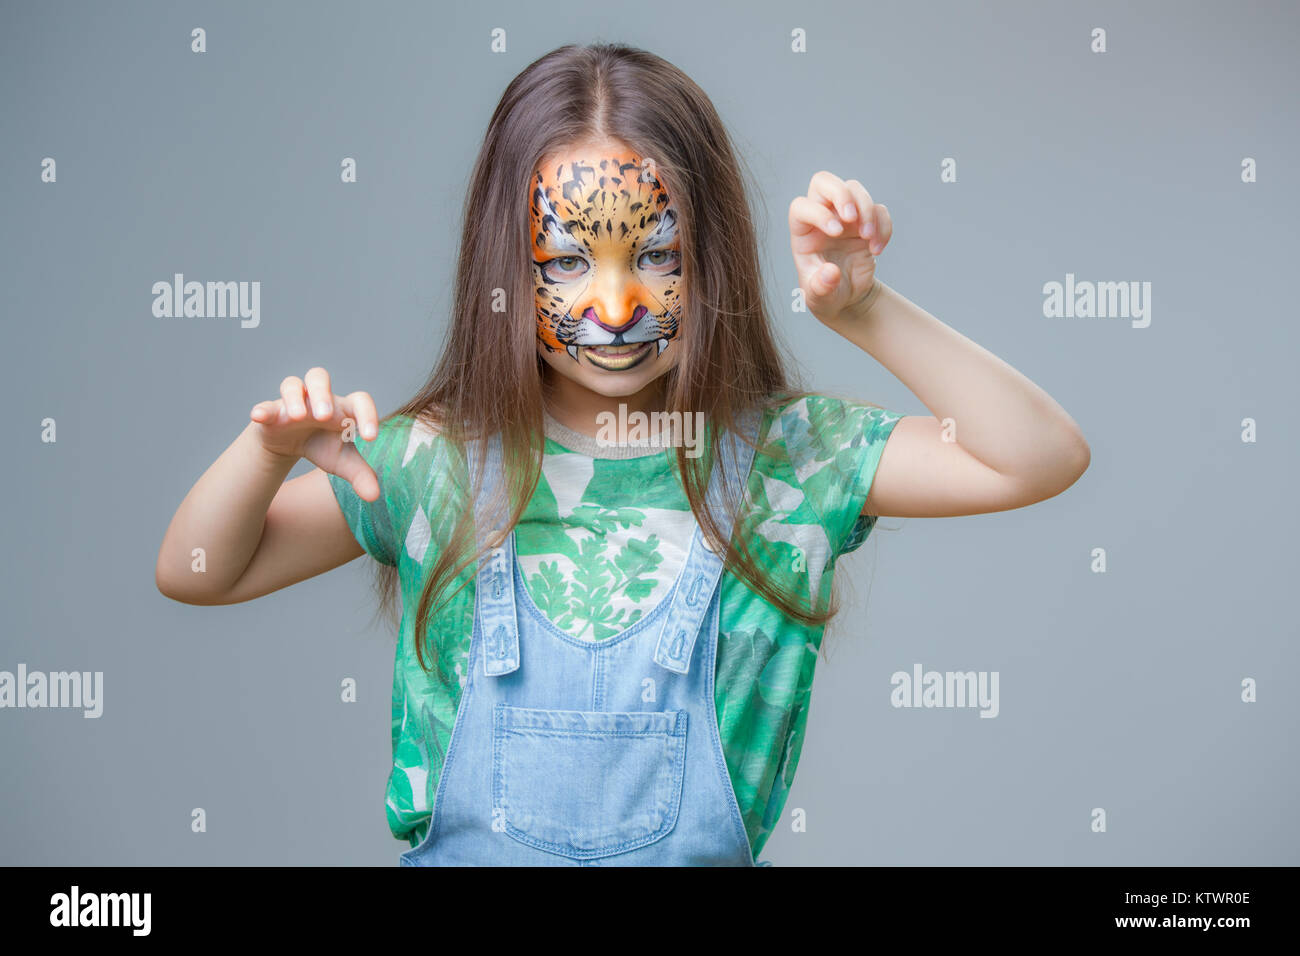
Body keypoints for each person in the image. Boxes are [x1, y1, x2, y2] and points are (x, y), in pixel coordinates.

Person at [155, 42, 1089, 866]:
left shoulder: (789, 464)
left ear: (712, 256)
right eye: (564, 262)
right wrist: (267, 447)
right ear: (505, 269)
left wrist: (862, 311)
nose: (614, 307)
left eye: (658, 255)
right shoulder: (431, 463)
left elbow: (1036, 457)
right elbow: (198, 571)